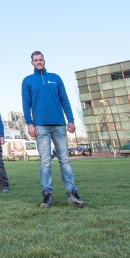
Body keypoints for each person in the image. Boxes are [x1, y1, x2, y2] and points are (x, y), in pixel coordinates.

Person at [21, 51, 87, 209]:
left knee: (65, 159)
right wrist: (29, 123)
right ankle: (47, 196)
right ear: (32, 63)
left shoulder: (56, 78)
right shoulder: (28, 81)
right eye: (35, 60)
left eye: (40, 59)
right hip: (40, 126)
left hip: (59, 124)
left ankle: (72, 193)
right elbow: (26, 104)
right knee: (45, 161)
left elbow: (65, 99)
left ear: (44, 61)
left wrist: (70, 120)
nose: (39, 62)